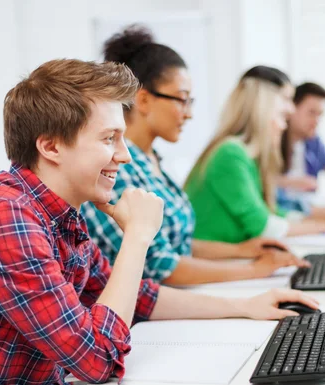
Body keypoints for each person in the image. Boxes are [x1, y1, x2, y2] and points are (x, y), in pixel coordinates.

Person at [0, 59, 319, 385]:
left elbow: (139, 298)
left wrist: (246, 306)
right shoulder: (4, 218)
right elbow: (96, 359)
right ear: (50, 147)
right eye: (109, 139)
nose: (123, 155)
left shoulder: (60, 211)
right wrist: (137, 237)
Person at [82, 26, 308, 286]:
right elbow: (161, 267)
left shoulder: (152, 161)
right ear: (144, 101)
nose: (188, 113)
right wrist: (255, 269)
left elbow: (179, 244)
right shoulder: (117, 169)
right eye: (182, 100)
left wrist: (242, 250)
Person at [184, 67, 325, 244]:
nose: (291, 109)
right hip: (217, 264)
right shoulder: (230, 153)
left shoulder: (245, 155)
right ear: (263, 107)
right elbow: (265, 226)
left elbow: (270, 212)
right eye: (284, 110)